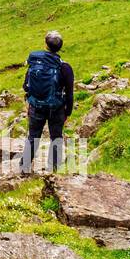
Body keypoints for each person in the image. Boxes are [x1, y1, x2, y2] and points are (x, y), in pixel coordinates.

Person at [20, 30, 74, 173]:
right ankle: (54, 171)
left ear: (45, 44)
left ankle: (23, 168)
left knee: (33, 137)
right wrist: (67, 112)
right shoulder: (65, 67)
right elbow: (69, 93)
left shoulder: (34, 62)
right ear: (60, 47)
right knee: (56, 138)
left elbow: (26, 85)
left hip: (36, 106)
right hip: (56, 108)